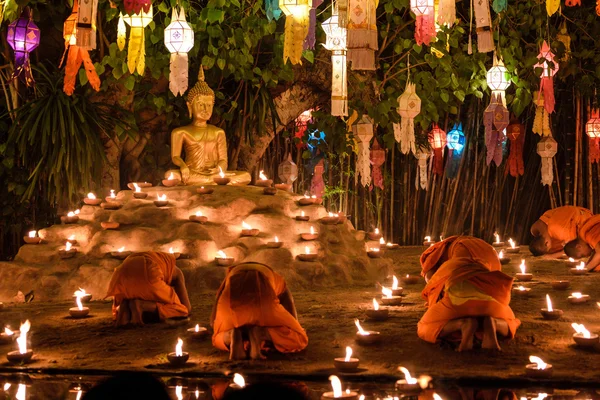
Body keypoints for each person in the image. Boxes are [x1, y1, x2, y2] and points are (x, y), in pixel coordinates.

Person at [418, 236, 520, 351]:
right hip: (491, 295)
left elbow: (431, 279)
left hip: (456, 300)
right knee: (511, 322)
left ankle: (463, 324)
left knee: (424, 327)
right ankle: (493, 323)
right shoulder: (488, 252)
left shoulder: (445, 260)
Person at [211, 262, 308, 360]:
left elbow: (212, 322)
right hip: (262, 292)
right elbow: (293, 320)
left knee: (217, 338)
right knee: (299, 338)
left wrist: (236, 327)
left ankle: (232, 335)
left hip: (230, 297)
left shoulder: (229, 277)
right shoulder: (279, 282)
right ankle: (260, 333)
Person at [106, 252, 191, 326]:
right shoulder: (177, 272)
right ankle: (141, 305)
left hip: (120, 274)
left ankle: (123, 305)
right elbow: (187, 307)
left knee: (128, 306)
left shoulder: (159, 259)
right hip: (149, 270)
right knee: (181, 311)